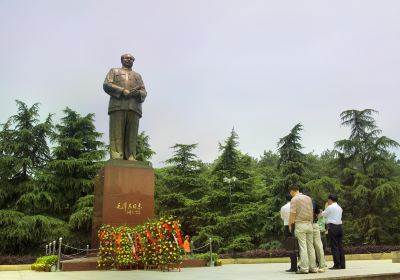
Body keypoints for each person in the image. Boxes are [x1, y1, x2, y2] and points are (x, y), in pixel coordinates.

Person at [103, 53, 147, 160]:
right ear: (122, 60)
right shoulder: (114, 71)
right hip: (118, 105)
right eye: (126, 58)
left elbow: (144, 92)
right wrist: (122, 91)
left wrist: (139, 93)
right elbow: (106, 85)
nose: (129, 60)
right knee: (116, 132)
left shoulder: (138, 76)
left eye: (131, 59)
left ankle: (131, 155)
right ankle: (117, 154)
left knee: (132, 134)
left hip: (134, 107)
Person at [288, 184, 318, 274]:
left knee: (302, 246)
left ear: (292, 191)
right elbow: (312, 212)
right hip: (309, 224)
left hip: (300, 224)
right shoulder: (308, 198)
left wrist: (290, 225)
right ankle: (313, 267)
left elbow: (292, 213)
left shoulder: (294, 199)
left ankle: (304, 268)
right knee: (311, 247)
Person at [322, 194, 345, 270]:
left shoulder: (330, 207)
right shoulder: (339, 207)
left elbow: (323, 215)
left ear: (330, 200)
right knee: (340, 246)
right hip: (339, 227)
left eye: (328, 200)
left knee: (334, 246)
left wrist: (325, 207)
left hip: (333, 227)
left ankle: (337, 264)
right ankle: (342, 264)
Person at [280, 196, 297, 272]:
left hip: (287, 226)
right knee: (298, 246)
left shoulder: (284, 207)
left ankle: (293, 266)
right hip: (296, 226)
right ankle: (300, 265)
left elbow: (282, 217)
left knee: (290, 247)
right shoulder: (296, 206)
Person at [312, 200, 326, 272]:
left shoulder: (300, 202)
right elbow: (318, 212)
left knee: (309, 247)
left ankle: (312, 266)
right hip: (315, 224)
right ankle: (322, 266)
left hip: (306, 224)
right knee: (318, 245)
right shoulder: (314, 202)